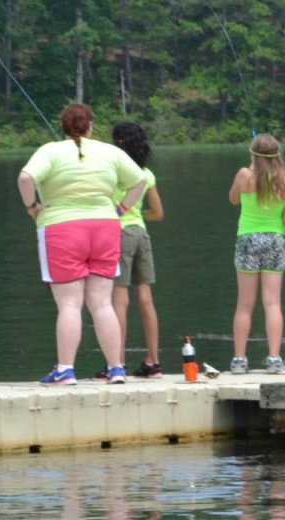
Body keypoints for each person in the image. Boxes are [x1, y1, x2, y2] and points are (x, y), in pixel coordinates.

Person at [17, 104, 147, 385]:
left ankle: (65, 369)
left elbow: (26, 178)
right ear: (90, 126)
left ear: (64, 127)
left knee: (69, 304)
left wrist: (32, 206)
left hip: (61, 229)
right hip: (105, 227)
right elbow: (140, 179)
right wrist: (123, 207)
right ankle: (116, 369)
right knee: (102, 303)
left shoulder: (50, 151)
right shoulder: (111, 152)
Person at [229, 134, 285, 374]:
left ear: (253, 155)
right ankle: (274, 359)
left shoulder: (243, 175)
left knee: (244, 304)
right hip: (275, 240)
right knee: (272, 303)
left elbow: (233, 199)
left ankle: (239, 359)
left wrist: (250, 169)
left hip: (247, 239)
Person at [100, 122, 164, 379]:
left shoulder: (112, 173)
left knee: (119, 300)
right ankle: (153, 362)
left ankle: (118, 363)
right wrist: (139, 214)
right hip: (141, 233)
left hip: (119, 235)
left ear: (119, 144)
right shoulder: (146, 174)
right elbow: (158, 213)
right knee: (146, 298)